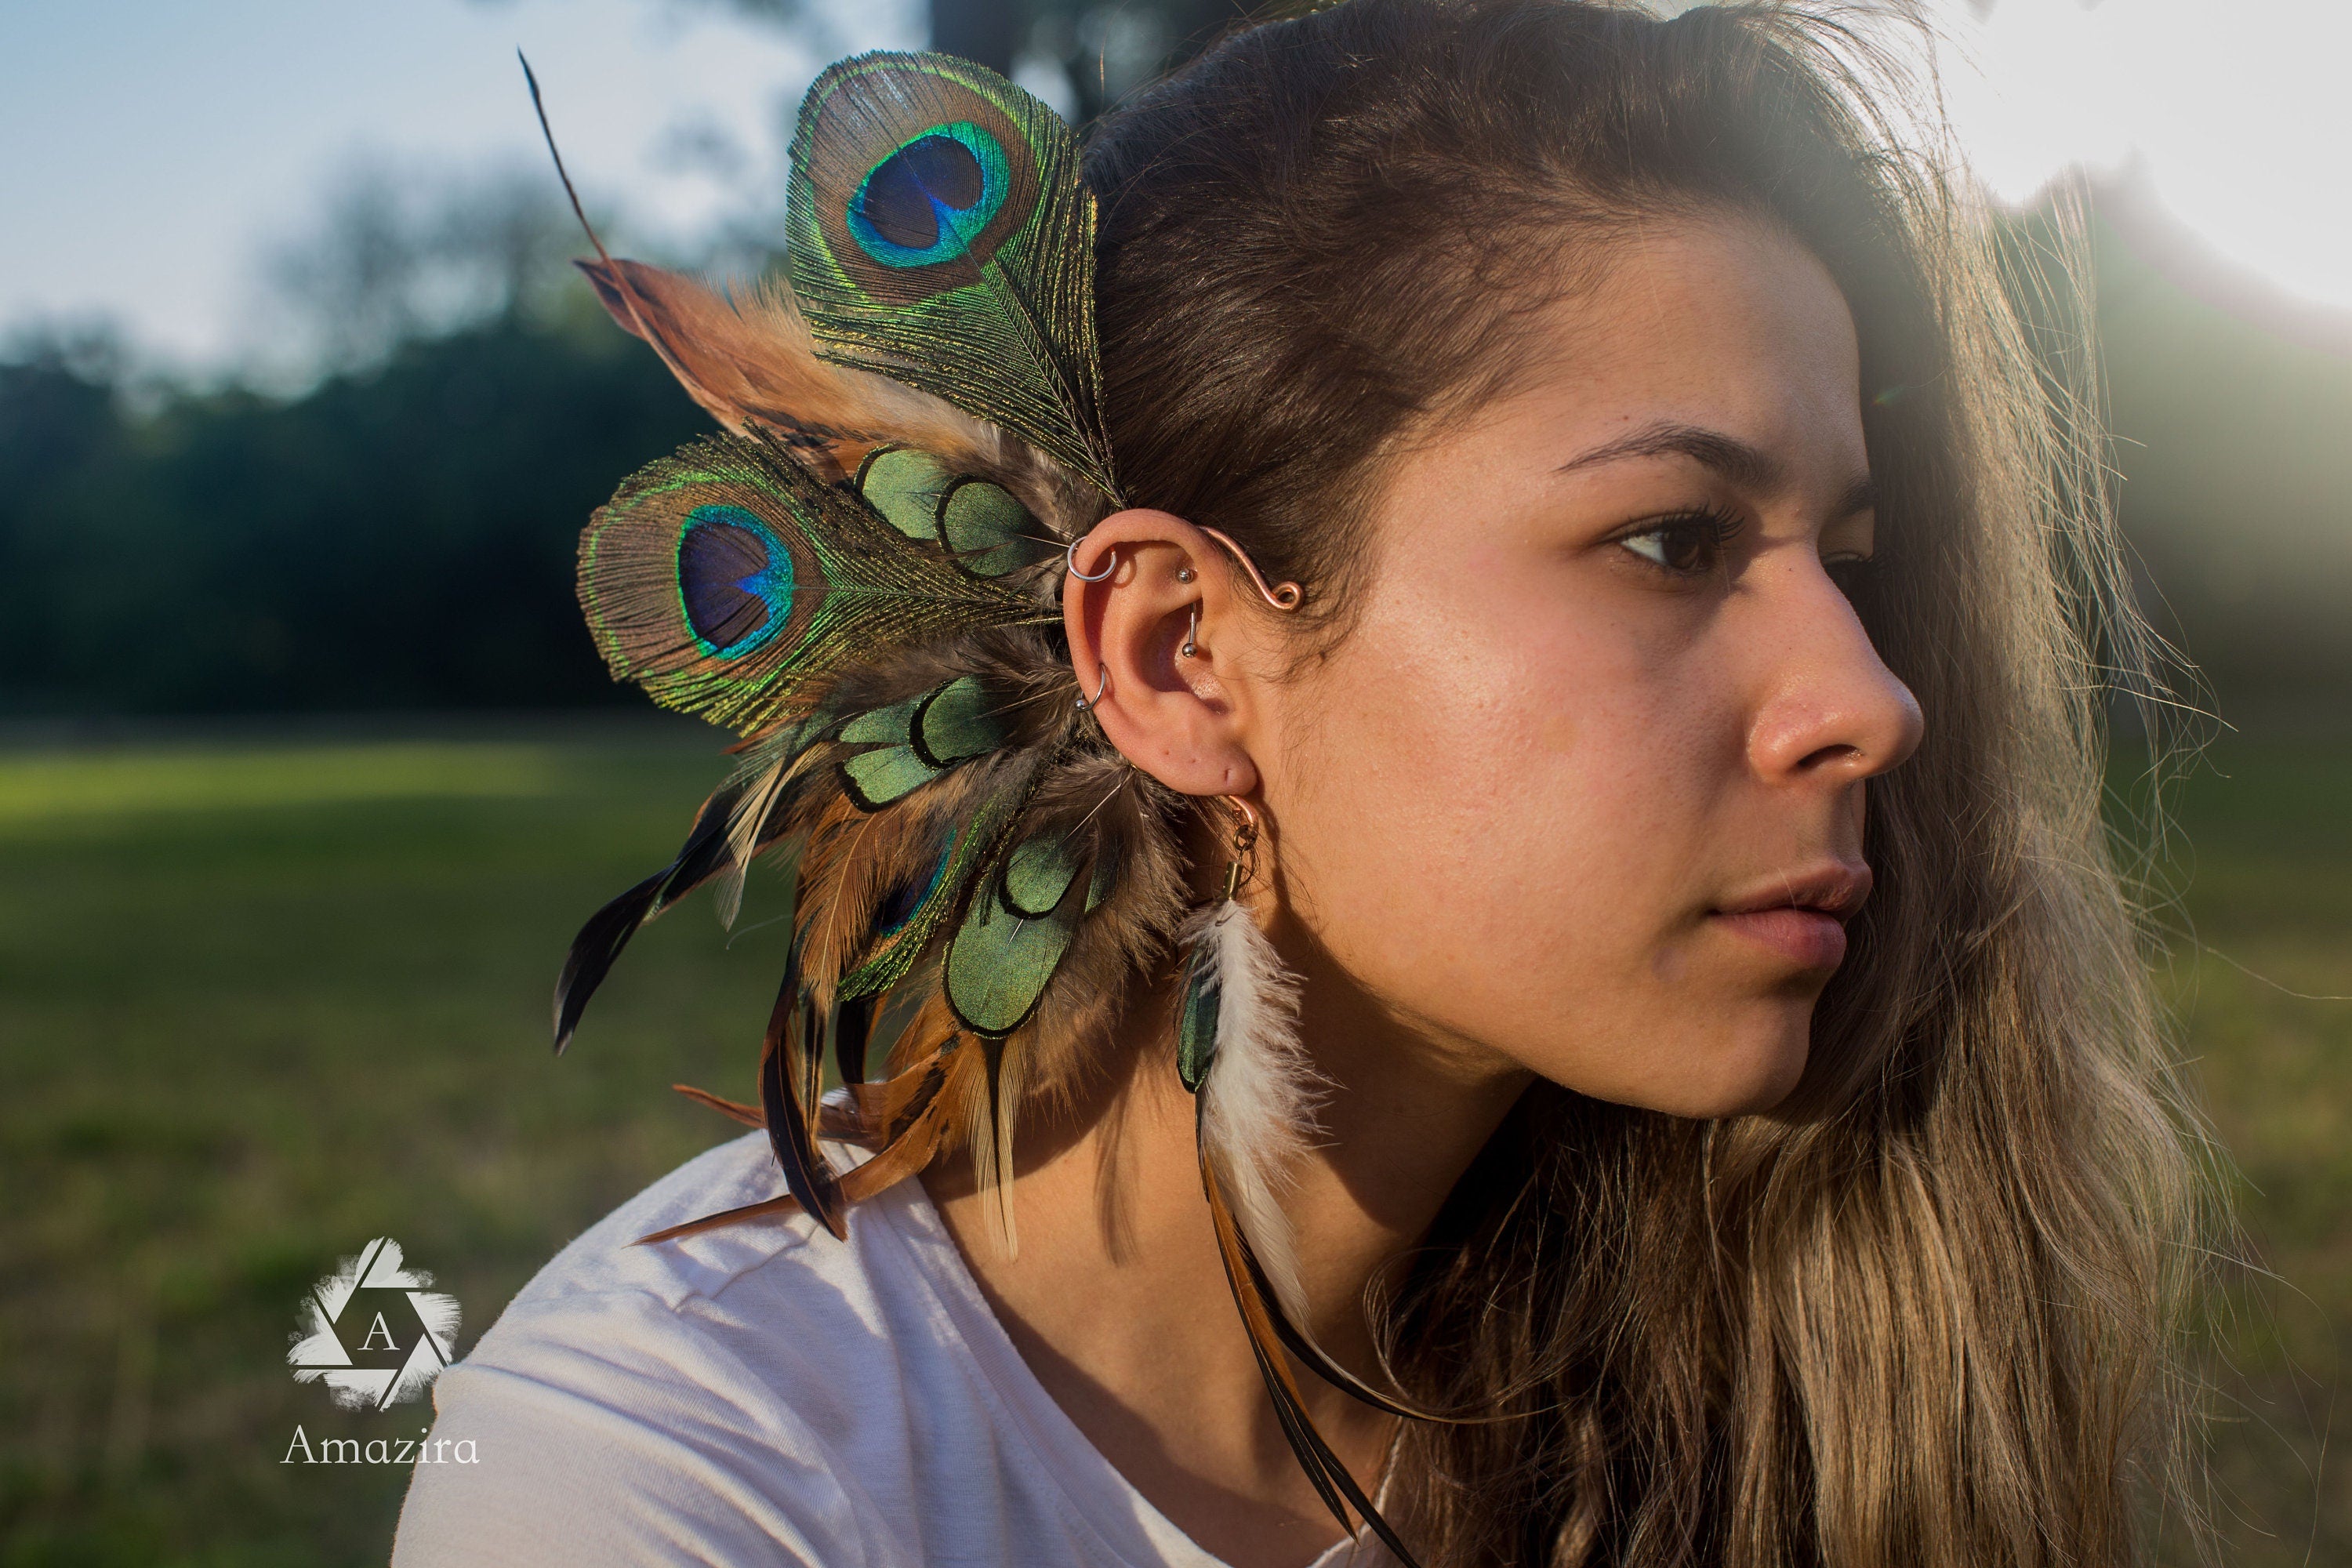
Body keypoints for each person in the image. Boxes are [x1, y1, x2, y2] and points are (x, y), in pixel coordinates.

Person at [393, 2, 2209, 1564]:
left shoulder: (1729, 1376)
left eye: (1856, 562)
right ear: (1180, 652)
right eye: (1672, 538)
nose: (1872, 701)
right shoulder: (678, 1484)